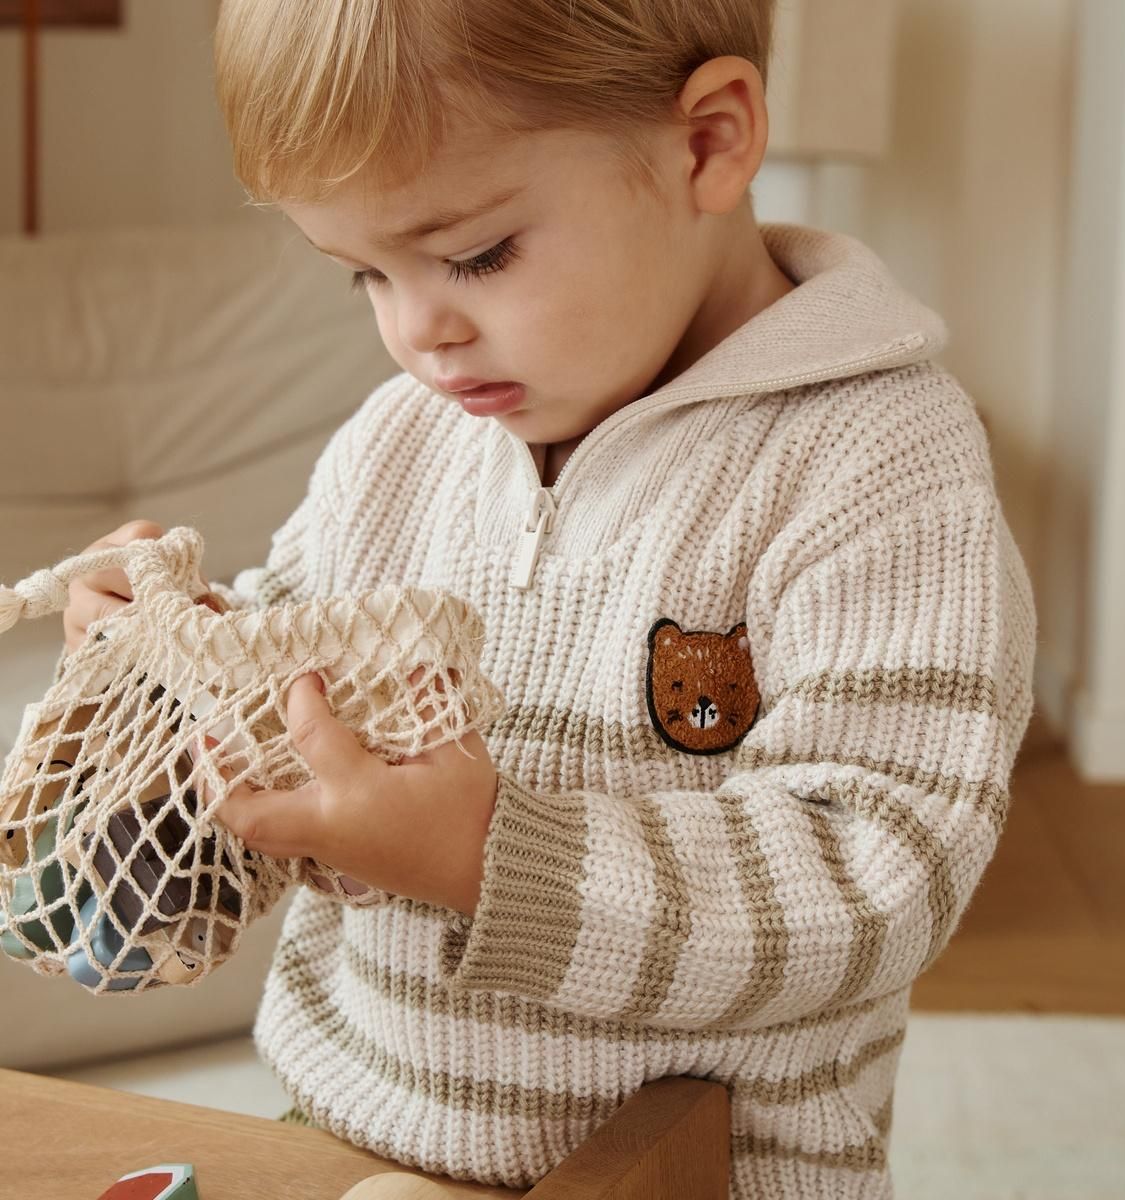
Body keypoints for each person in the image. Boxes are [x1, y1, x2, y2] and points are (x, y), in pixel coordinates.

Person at [62, 1, 1037, 1195]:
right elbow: (283, 717)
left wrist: (493, 855)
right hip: (348, 1128)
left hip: (688, 1173)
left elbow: (879, 877)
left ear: (709, 142)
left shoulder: (879, 463)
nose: (418, 333)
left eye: (476, 256)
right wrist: (174, 666)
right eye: (364, 274)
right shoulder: (400, 443)